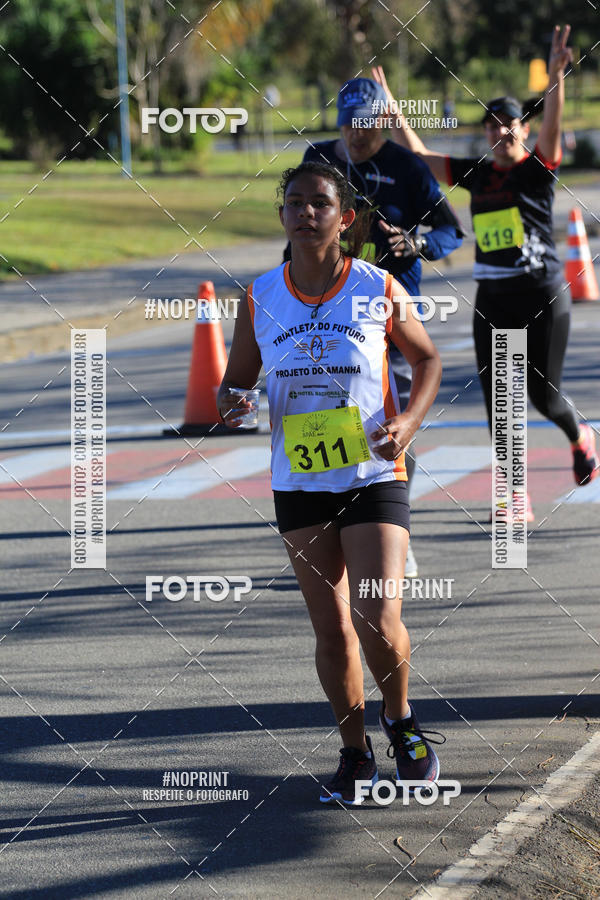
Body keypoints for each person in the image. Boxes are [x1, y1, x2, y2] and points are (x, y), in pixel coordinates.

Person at [218, 161, 445, 805]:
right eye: (294, 203)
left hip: (375, 471)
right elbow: (234, 383)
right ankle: (354, 749)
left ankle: (400, 720)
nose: (306, 213)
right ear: (282, 215)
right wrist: (232, 402)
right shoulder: (260, 295)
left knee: (376, 615)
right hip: (301, 479)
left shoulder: (378, 286)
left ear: (346, 219)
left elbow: (427, 359)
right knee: (331, 629)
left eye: (320, 203)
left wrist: (406, 420)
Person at [373, 25, 599, 521]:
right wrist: (395, 115)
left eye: (510, 124)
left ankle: (581, 434)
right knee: (501, 405)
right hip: (494, 301)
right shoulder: (477, 174)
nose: (501, 132)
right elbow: (420, 158)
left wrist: (557, 78)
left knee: (543, 397)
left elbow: (553, 128)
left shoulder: (537, 168)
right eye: (493, 125)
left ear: (522, 128)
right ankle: (515, 496)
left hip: (542, 296)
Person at [285, 76, 464, 575]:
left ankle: (390, 532)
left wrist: (415, 244)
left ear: (384, 122)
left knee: (388, 425)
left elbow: (451, 229)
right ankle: (325, 531)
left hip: (385, 313)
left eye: (365, 126)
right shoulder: (319, 159)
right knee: (321, 412)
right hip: (321, 309)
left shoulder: (406, 167)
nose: (354, 136)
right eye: (347, 125)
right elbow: (298, 221)